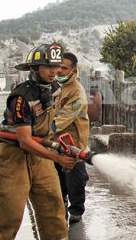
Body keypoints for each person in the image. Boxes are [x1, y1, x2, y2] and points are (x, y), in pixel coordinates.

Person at [0, 43, 76, 240]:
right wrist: (58, 159)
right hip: (15, 157)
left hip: (41, 155)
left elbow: (51, 124)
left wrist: (61, 146)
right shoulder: (21, 97)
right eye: (48, 66)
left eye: (57, 66)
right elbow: (25, 141)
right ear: (34, 68)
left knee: (53, 208)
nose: (54, 71)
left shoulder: (54, 89)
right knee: (8, 213)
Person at [53, 52, 90, 223]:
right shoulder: (60, 89)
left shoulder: (77, 92)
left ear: (73, 70)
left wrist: (38, 132)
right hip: (57, 143)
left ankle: (76, 211)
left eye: (64, 68)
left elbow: (61, 120)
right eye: (58, 67)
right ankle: (62, 205)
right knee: (59, 181)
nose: (59, 71)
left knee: (75, 180)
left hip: (73, 145)